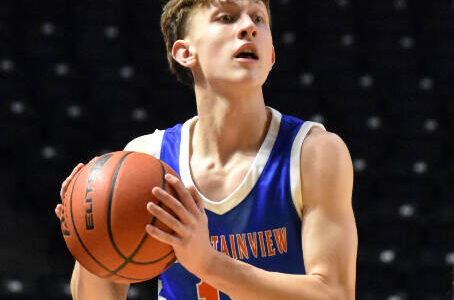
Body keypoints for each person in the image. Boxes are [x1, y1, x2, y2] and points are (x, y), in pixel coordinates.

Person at [55, 0, 358, 299]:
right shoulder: (149, 161)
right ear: (185, 52)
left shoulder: (313, 153)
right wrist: (89, 238)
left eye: (258, 18)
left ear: (271, 55)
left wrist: (208, 262)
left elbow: (335, 294)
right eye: (227, 18)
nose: (248, 28)